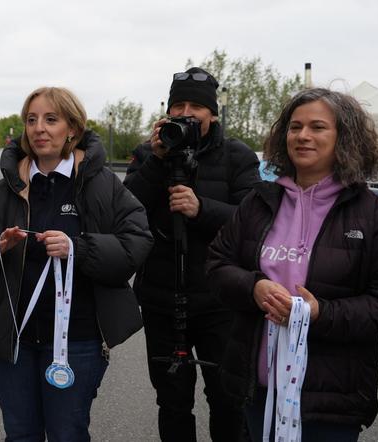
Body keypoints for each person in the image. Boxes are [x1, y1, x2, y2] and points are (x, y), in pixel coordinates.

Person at [0, 87, 153, 441]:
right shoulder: (7, 188)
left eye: (51, 119)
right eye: (31, 120)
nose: (39, 128)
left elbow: (136, 243)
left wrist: (78, 248)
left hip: (79, 340)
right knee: (20, 433)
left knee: (67, 434)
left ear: (72, 128)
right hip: (14, 337)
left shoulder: (102, 185)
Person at [207, 88, 378, 441]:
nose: (303, 136)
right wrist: (252, 286)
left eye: (317, 127)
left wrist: (320, 314)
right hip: (259, 391)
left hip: (331, 398)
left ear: (344, 137)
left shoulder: (375, 215)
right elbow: (217, 264)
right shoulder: (259, 202)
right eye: (295, 126)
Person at [124, 67, 260, 441]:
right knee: (171, 402)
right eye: (178, 105)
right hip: (161, 300)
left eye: (196, 106)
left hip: (221, 302)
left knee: (228, 400)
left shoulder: (238, 157)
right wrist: (157, 159)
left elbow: (256, 222)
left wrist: (202, 209)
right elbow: (124, 209)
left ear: (212, 114)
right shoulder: (149, 153)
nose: (186, 113)